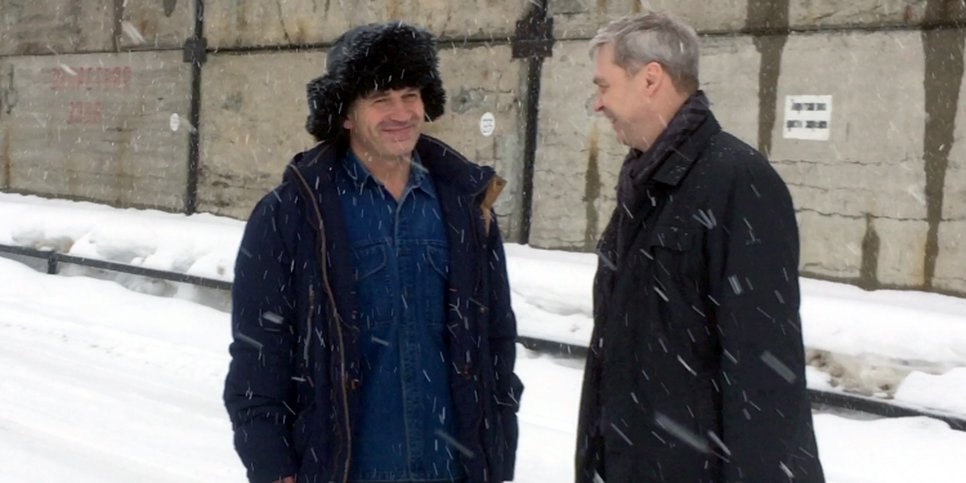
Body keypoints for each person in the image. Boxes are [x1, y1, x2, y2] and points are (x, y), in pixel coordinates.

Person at [224, 22, 523, 483]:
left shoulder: (465, 205)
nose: (401, 113)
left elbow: (496, 338)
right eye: (381, 99)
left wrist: (496, 447)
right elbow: (259, 354)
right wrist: (272, 465)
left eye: (410, 95)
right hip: (344, 469)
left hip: (452, 469)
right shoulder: (293, 213)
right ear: (345, 114)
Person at [575, 12, 825, 483]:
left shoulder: (738, 181)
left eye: (604, 86)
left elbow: (764, 373)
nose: (598, 103)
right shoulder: (645, 181)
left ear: (651, 79)